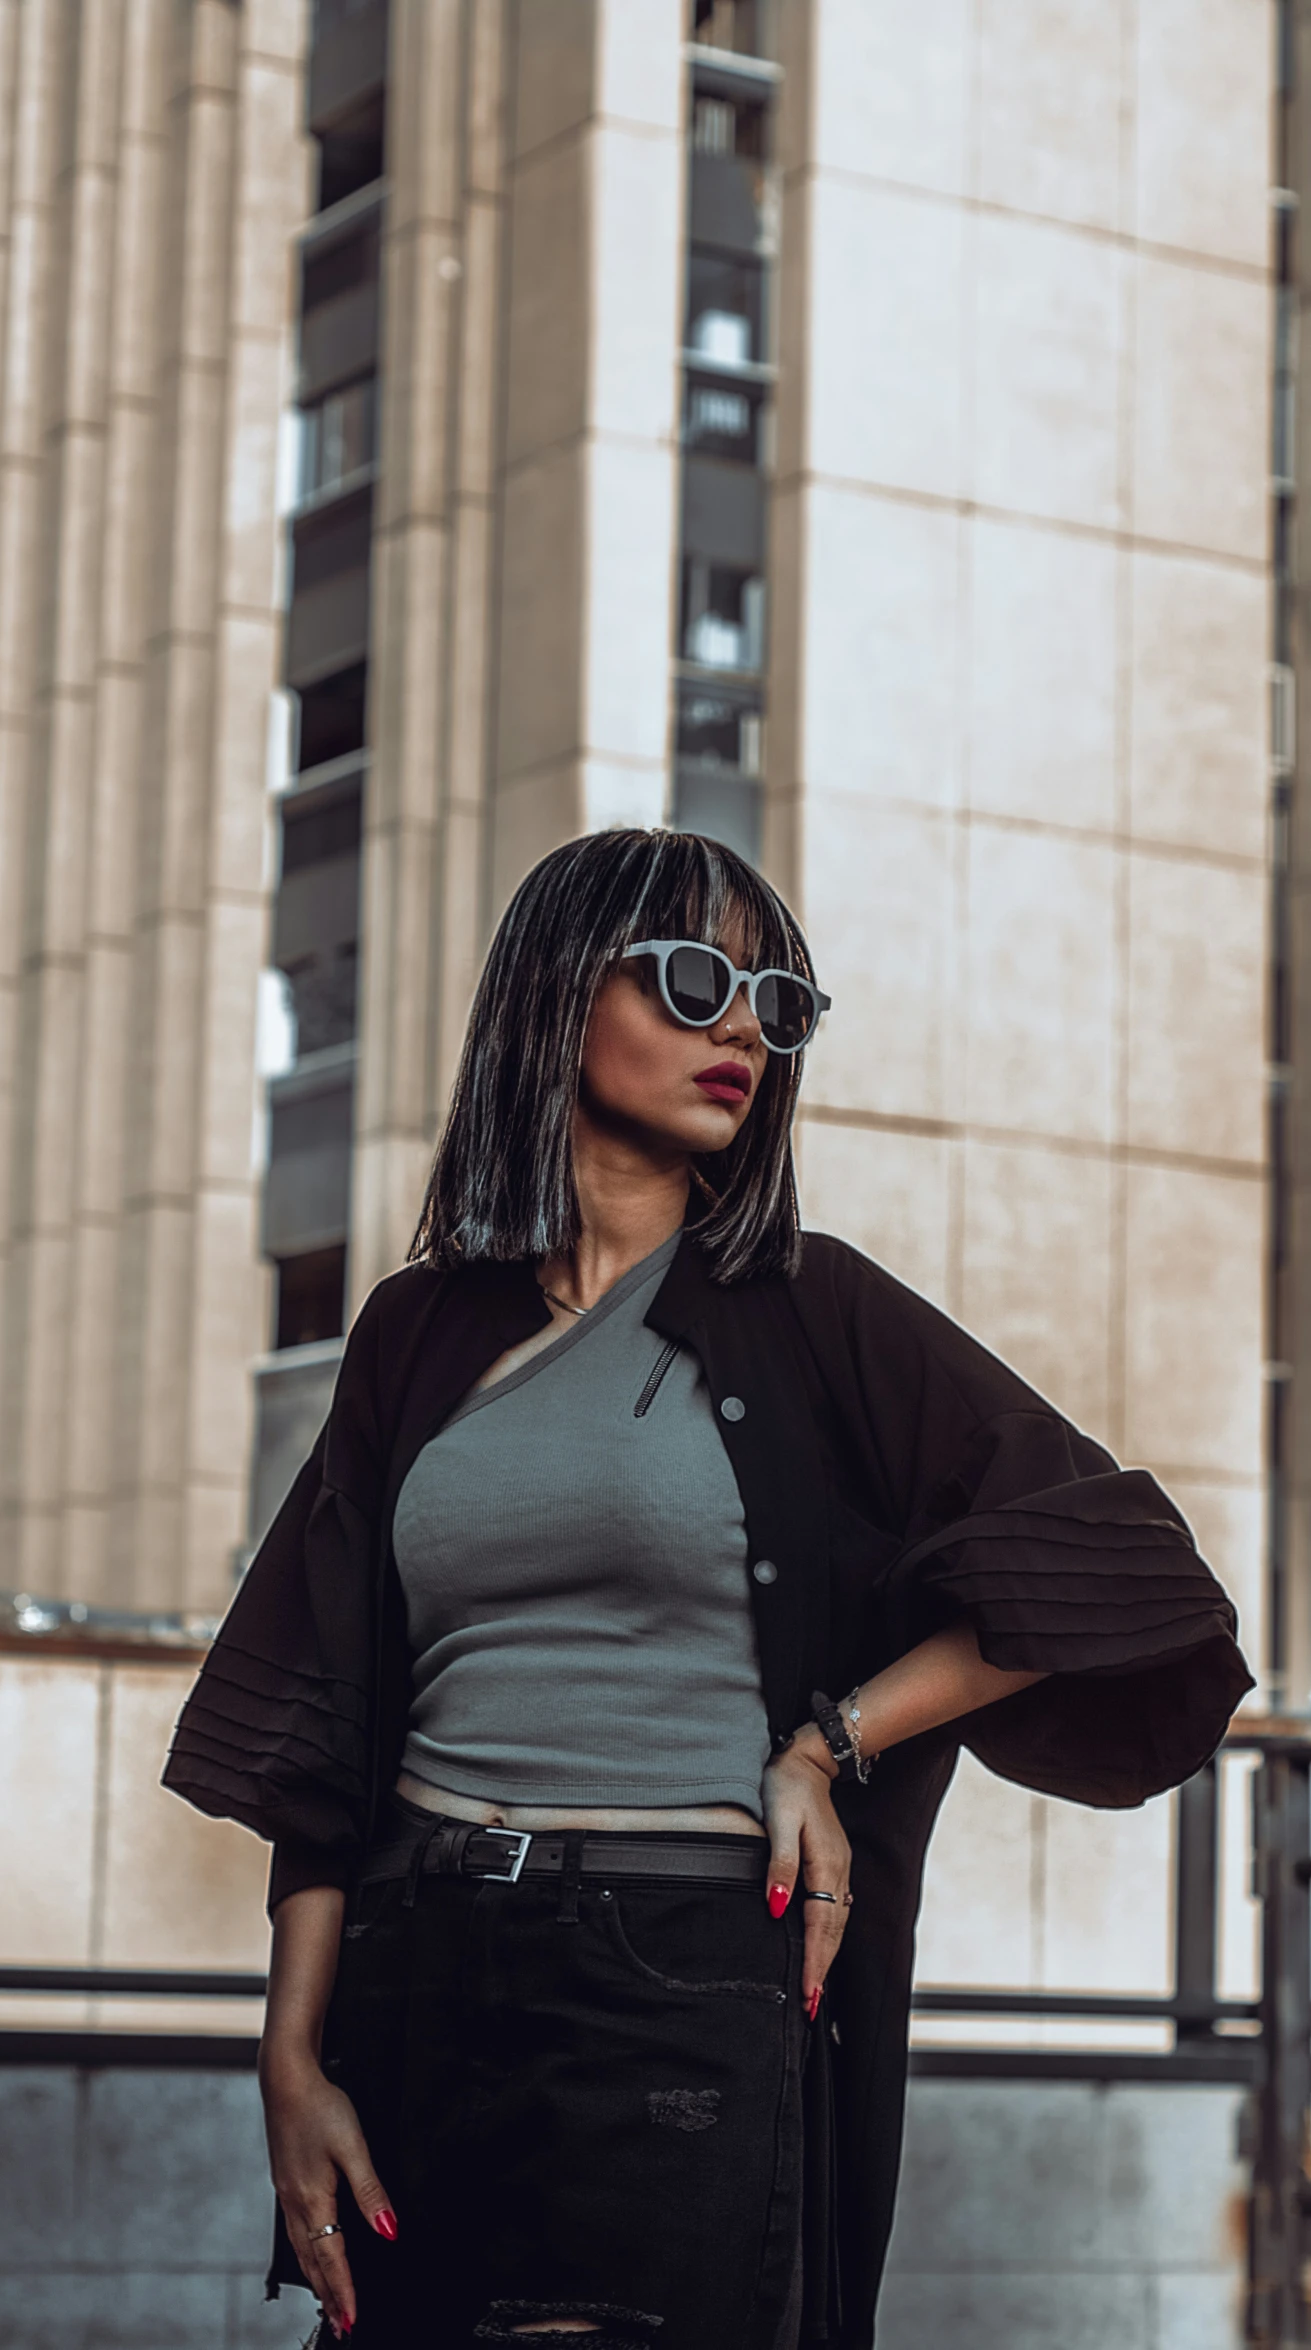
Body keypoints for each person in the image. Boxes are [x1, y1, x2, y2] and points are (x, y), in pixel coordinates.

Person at [164, 828, 1251, 2350]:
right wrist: (291, 2055)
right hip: (415, 1979)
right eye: (691, 978)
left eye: (772, 999)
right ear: (555, 992)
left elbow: (1124, 1566)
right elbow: (322, 1713)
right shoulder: (414, 1329)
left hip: (668, 1970)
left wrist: (835, 1740)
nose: (739, 1023)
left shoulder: (813, 1310)